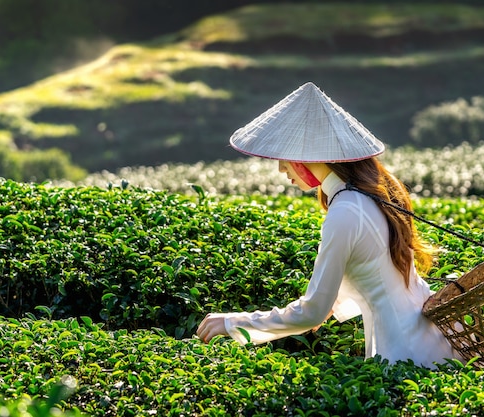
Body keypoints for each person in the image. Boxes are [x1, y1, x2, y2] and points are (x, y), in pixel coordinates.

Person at [196, 82, 460, 368]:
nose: (281, 168)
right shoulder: (369, 196)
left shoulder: (345, 211)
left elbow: (311, 312)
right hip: (435, 343)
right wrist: (328, 303)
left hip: (405, 359)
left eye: (285, 157)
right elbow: (372, 269)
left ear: (309, 156)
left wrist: (233, 323)